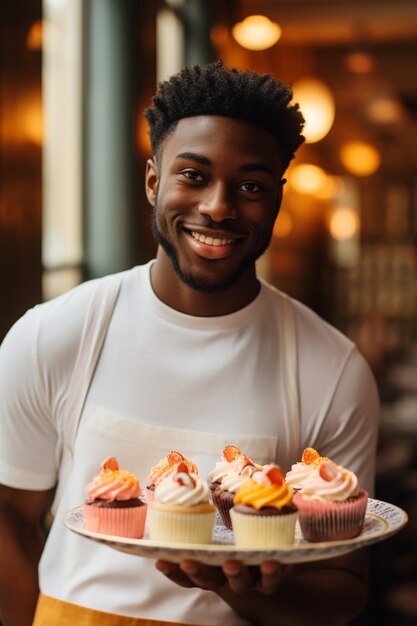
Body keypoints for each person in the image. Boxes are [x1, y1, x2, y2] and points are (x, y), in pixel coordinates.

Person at [0, 60, 379, 626]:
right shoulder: (56, 333)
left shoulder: (333, 368)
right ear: (154, 181)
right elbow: (7, 519)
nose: (218, 207)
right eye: (193, 176)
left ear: (277, 197)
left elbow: (345, 585)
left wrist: (244, 589)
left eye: (250, 186)